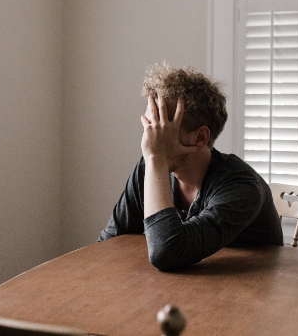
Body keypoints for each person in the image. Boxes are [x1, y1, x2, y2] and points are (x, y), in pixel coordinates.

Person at [98, 62, 283, 271]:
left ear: (200, 137)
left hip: (248, 287)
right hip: (181, 286)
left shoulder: (242, 187)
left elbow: (167, 252)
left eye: (161, 127)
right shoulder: (148, 168)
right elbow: (108, 243)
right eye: (149, 126)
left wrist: (156, 158)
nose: (149, 139)